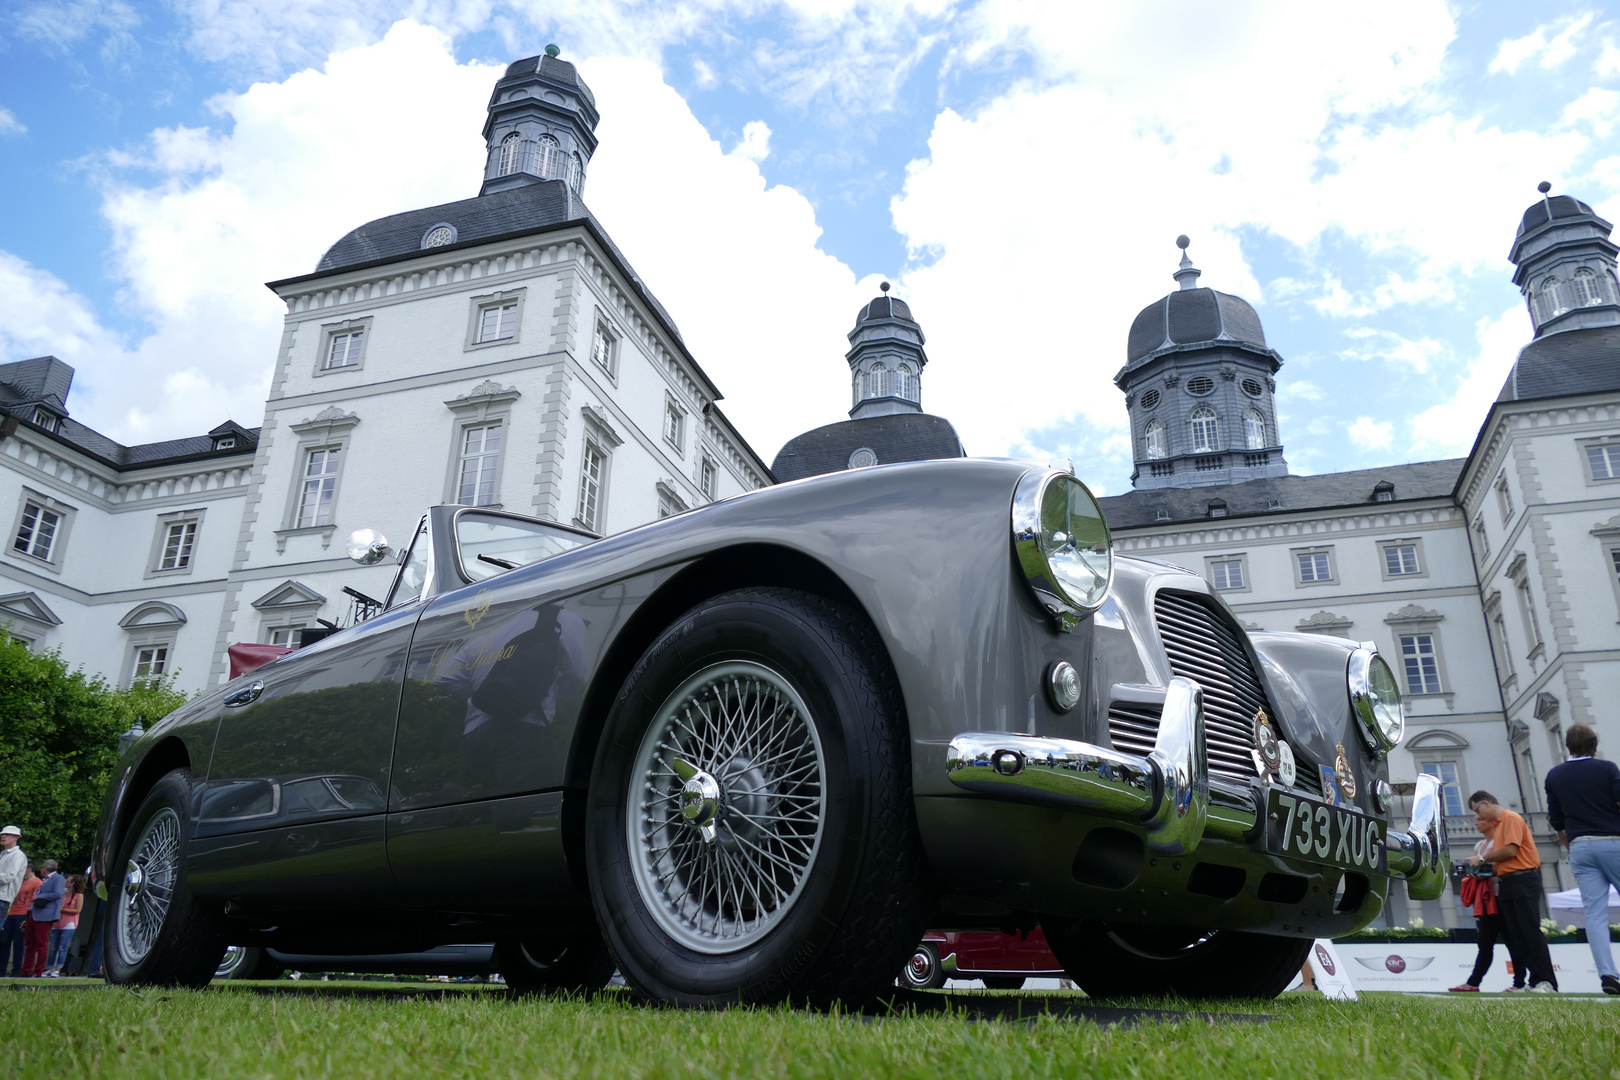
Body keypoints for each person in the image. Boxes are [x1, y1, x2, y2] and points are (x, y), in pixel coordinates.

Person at [1543, 723, 1620, 996]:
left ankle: (1608, 974)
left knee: (1595, 915)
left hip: (1580, 847)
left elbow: (1556, 819)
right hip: (1612, 841)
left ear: (1568, 746)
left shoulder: (1555, 775)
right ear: (1594, 744)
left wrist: (1572, 846)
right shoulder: (1608, 769)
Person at [1469, 790, 1557, 992]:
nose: (1479, 817)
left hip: (1523, 879)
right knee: (1517, 936)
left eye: (1478, 811)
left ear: (1485, 803)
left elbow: (1510, 850)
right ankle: (1534, 981)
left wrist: (1482, 859)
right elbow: (1504, 855)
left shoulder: (1510, 818)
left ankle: (1546, 981)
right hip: (1507, 881)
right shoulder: (1500, 825)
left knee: (1529, 931)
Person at [1450, 813, 1525, 992]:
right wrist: (1472, 871)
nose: (1476, 823)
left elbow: (1503, 865)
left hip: (1501, 896)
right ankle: (1473, 982)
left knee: (1511, 940)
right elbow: (1478, 866)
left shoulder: (1499, 843)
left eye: (1480, 820)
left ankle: (1519, 982)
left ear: (1492, 823)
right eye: (1476, 820)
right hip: (1486, 898)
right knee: (1484, 942)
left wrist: (1483, 867)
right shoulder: (1480, 845)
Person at [23, 859, 63, 977]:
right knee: (30, 943)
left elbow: (57, 893)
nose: (40, 870)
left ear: (46, 868)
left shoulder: (58, 878)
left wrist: (39, 896)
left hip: (45, 915)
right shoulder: (45, 880)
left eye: (41, 868)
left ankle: (38, 970)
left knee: (41, 944)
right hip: (34, 913)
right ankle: (26, 970)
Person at [3, 862, 39, 977]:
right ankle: (2, 968)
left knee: (18, 943)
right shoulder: (20, 881)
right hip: (12, 912)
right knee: (4, 941)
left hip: (22, 913)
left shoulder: (36, 882)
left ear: (28, 869)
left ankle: (16, 969)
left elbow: (35, 899)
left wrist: (28, 917)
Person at [44, 874, 83, 977]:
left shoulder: (79, 896)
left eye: (69, 881)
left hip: (69, 924)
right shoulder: (63, 893)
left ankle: (58, 969)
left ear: (73, 883)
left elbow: (77, 910)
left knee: (63, 947)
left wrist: (62, 910)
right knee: (53, 947)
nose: (66, 882)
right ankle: (49, 968)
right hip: (57, 922)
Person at [0, 826, 26, 975]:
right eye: (3, 834)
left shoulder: (17, 855)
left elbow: (8, 876)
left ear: (16, 838)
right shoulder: (3, 854)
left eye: (8, 835)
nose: (4, 836)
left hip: (3, 897)